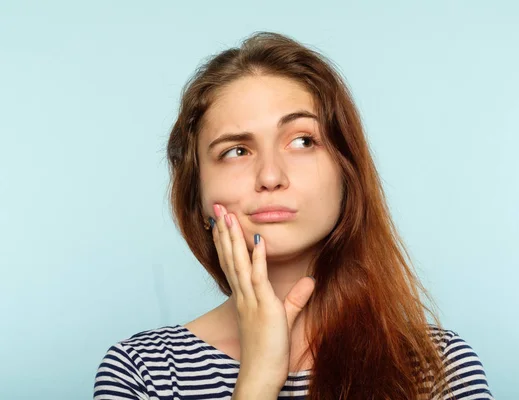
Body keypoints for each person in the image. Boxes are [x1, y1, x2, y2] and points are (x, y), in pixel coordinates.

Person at [93, 31, 494, 400]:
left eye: (303, 141)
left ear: (347, 173)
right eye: (236, 150)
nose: (270, 176)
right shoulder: (142, 372)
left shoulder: (438, 367)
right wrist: (259, 378)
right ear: (197, 196)